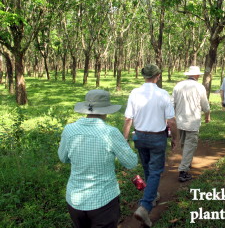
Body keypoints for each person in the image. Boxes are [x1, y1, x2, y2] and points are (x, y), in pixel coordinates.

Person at [58, 89, 138, 228]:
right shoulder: (110, 132)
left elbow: (63, 158)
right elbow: (131, 162)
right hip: (104, 200)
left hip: (75, 200)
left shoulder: (69, 130)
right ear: (106, 110)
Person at [123, 64, 178, 227]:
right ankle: (145, 206)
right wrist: (176, 139)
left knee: (147, 168)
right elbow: (172, 120)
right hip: (157, 138)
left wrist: (124, 138)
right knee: (155, 171)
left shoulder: (134, 93)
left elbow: (128, 119)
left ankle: (152, 195)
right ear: (158, 76)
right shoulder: (162, 94)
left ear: (144, 76)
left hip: (139, 136)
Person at [172, 66, 211, 182]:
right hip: (193, 121)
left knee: (184, 143)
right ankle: (183, 171)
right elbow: (205, 105)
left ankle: (186, 162)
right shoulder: (200, 87)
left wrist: (171, 118)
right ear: (197, 76)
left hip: (179, 120)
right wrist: (207, 115)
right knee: (190, 144)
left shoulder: (178, 86)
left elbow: (171, 103)